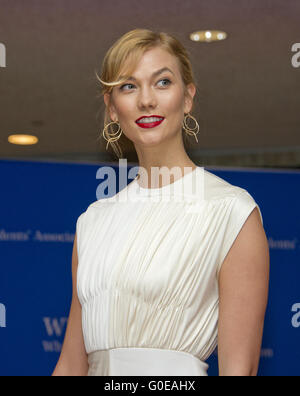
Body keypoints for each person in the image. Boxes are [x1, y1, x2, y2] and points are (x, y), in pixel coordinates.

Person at [52, 29, 269, 376]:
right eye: (128, 86)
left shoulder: (232, 212)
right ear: (111, 108)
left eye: (163, 82)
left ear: (187, 98)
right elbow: (71, 365)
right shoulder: (93, 221)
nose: (146, 100)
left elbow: (239, 370)